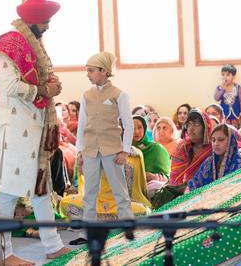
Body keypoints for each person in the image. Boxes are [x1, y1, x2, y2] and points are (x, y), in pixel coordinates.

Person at [0, 0, 69, 265]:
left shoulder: (34, 44)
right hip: (13, 133)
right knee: (8, 193)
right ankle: (2, 255)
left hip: (33, 130)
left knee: (41, 190)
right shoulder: (8, 44)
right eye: (46, 21)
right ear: (33, 20)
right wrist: (44, 90)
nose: (48, 26)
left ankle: (52, 246)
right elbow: (9, 87)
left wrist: (49, 85)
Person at [77, 51, 134, 225]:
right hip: (90, 150)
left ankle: (128, 227)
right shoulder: (86, 95)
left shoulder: (119, 95)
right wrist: (79, 150)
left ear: (103, 71)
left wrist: (125, 150)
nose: (88, 75)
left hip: (112, 150)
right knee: (89, 192)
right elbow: (82, 124)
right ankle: (89, 230)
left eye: (91, 71)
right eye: (87, 71)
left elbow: (128, 124)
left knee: (120, 191)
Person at [59, 145, 151, 220]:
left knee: (142, 211)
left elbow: (130, 187)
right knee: (65, 202)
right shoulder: (89, 150)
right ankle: (110, 220)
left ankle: (96, 220)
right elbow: (85, 177)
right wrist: (81, 164)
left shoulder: (130, 154)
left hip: (119, 202)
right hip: (96, 201)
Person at [188, 124, 241, 191]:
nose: (216, 143)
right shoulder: (208, 163)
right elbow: (194, 185)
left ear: (230, 141)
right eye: (213, 140)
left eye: (221, 139)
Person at [169, 109, 215, 185]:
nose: (190, 129)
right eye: (189, 124)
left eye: (196, 124)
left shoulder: (214, 147)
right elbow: (175, 179)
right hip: (182, 192)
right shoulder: (182, 148)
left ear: (206, 127)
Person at [132, 115, 170, 195]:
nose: (136, 132)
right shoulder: (124, 151)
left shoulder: (157, 149)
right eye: (132, 128)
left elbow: (168, 177)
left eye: (139, 127)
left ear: (145, 128)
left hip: (153, 193)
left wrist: (154, 177)